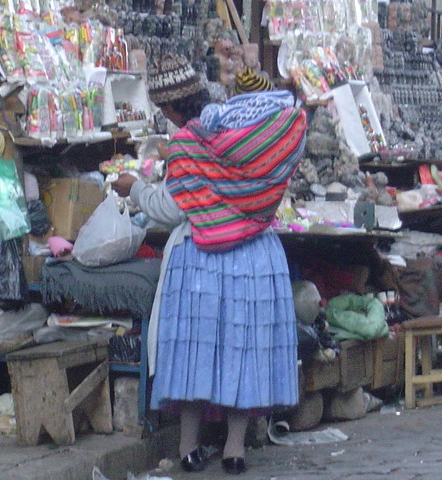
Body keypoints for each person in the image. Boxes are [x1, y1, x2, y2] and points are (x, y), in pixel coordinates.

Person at [111, 54, 307, 474]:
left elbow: (170, 207)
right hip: (255, 256)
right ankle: (235, 450)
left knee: (196, 353)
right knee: (243, 352)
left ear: (171, 108)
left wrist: (137, 189)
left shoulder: (188, 143)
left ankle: (188, 447)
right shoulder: (262, 133)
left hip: (202, 258)